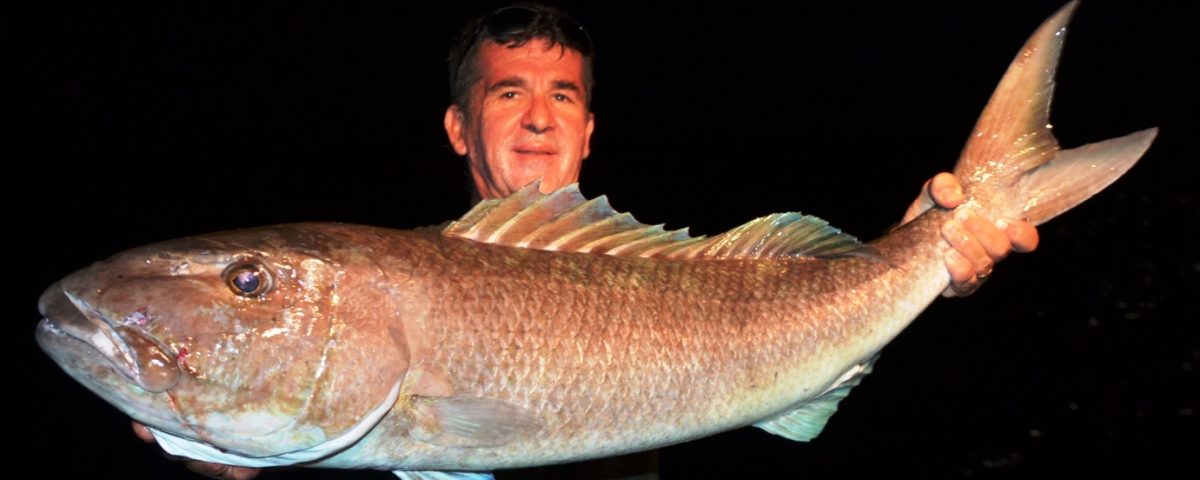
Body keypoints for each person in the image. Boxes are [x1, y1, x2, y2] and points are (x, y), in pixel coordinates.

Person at [133, 3, 1038, 479]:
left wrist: (928, 247)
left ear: (590, 129)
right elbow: (281, 438)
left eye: (561, 95)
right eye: (506, 92)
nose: (536, 118)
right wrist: (217, 446)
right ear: (457, 125)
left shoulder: (662, 272)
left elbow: (829, 313)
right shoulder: (394, 263)